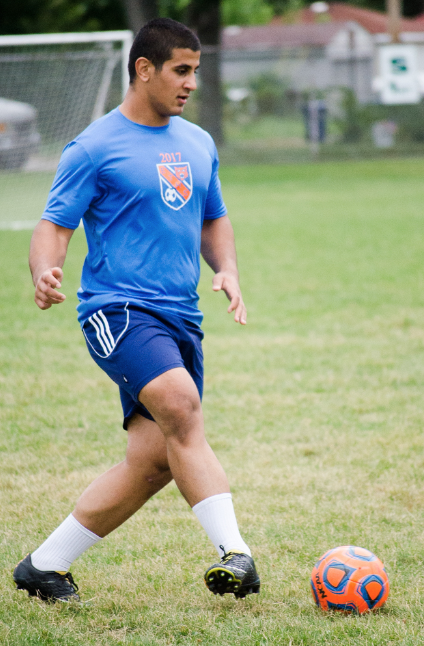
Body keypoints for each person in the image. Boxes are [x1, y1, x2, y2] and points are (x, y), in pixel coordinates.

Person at [13, 18, 259, 603]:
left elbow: (212, 215)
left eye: (196, 71)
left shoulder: (198, 143)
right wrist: (44, 270)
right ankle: (236, 553)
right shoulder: (94, 146)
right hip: (118, 309)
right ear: (143, 69)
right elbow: (54, 226)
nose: (191, 83)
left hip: (182, 318)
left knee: (154, 461)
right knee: (182, 404)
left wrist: (225, 267)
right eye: (181, 70)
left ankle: (44, 566)